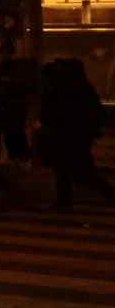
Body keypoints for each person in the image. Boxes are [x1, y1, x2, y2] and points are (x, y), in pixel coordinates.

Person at [38, 57, 114, 211]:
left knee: (82, 173)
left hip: (71, 136)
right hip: (70, 135)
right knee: (65, 170)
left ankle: (109, 195)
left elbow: (55, 112)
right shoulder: (77, 87)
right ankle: (63, 201)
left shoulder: (69, 89)